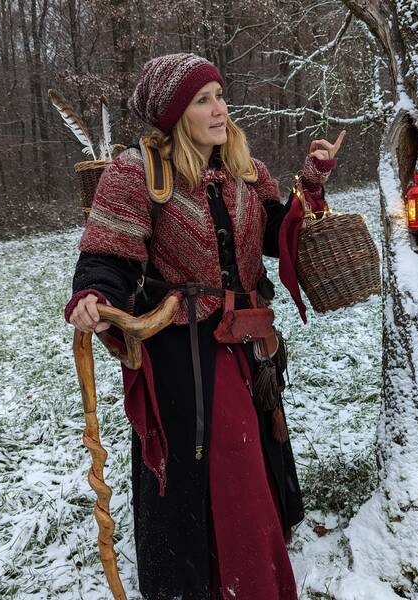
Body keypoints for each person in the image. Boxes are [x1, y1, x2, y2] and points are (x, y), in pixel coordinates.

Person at [64, 52, 345, 600]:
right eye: (203, 100)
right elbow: (107, 254)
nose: (220, 109)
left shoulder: (245, 168)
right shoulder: (136, 172)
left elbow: (276, 236)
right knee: (209, 462)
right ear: (173, 116)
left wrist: (312, 181)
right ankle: (208, 582)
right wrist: (94, 295)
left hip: (248, 339)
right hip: (182, 353)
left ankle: (250, 570)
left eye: (219, 95)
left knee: (254, 450)